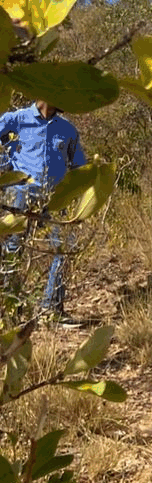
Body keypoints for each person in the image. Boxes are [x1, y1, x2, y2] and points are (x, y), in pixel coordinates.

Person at [0, 99, 87, 326]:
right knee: (13, 249)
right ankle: (11, 311)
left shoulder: (67, 129)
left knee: (64, 247)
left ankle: (52, 310)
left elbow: (80, 166)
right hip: (21, 194)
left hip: (55, 198)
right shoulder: (16, 120)